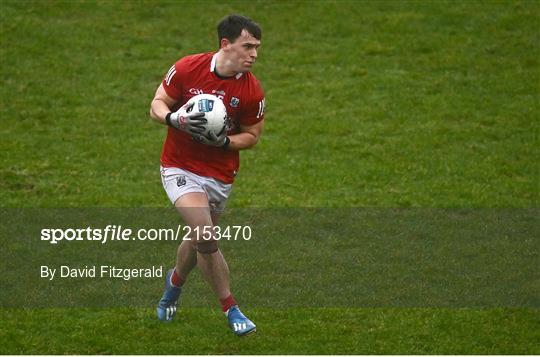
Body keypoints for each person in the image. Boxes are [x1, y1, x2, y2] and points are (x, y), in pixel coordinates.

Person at [149, 14, 265, 336]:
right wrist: (173, 119)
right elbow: (156, 103)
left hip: (219, 175)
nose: (254, 54)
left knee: (198, 237)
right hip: (178, 167)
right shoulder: (188, 68)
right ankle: (232, 309)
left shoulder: (252, 91)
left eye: (256, 48)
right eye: (248, 47)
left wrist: (225, 141)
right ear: (225, 44)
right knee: (205, 233)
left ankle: (173, 286)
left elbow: (253, 136)